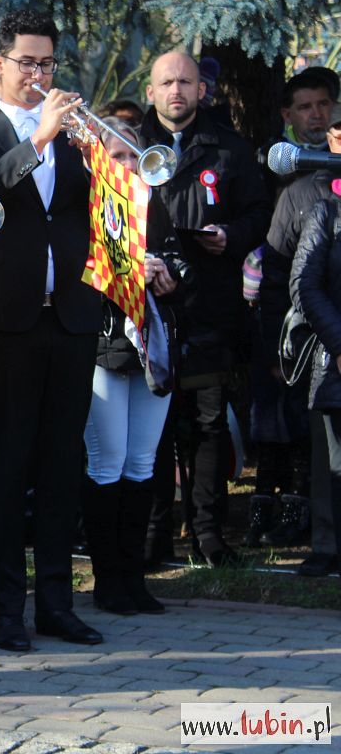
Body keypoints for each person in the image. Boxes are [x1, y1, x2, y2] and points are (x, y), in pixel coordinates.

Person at [0, 9, 103, 652]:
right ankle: (6, 611)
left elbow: (100, 210)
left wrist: (105, 159)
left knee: (65, 467)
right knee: (8, 473)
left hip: (70, 317)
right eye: (27, 62)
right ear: (0, 65)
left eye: (47, 63)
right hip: (8, 324)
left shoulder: (74, 134)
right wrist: (38, 139)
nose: (38, 73)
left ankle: (57, 606)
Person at [137, 51, 273, 568]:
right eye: (166, 82)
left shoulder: (229, 148)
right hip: (149, 309)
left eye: (185, 82)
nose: (176, 90)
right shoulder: (127, 147)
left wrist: (231, 235)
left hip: (210, 307)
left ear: (201, 90)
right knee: (153, 429)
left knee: (209, 425)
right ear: (151, 91)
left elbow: (259, 213)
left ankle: (209, 535)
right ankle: (153, 535)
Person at [81, 118, 187, 617]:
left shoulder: (153, 203)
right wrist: (123, 275)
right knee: (108, 462)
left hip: (151, 350)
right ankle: (107, 581)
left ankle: (134, 578)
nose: (127, 165)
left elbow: (180, 260)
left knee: (142, 463)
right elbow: (73, 274)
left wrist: (168, 275)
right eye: (117, 155)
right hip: (103, 349)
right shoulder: (83, 205)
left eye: (132, 155)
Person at [259, 104, 341, 577]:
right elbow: (301, 284)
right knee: (330, 455)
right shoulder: (318, 204)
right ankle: (328, 544)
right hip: (332, 351)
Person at [288, 187, 341, 585]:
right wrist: (339, 343)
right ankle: (329, 547)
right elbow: (304, 284)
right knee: (334, 467)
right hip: (336, 362)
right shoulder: (326, 212)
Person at [261, 69, 337, 195]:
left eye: (323, 104)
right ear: (287, 115)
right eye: (305, 107)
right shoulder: (271, 157)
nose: (317, 114)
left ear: (334, 107)